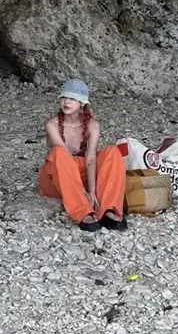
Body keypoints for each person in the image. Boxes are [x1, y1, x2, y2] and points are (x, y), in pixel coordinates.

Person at [37, 79, 127, 232]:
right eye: (64, 97)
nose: (67, 101)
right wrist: (81, 191)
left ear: (83, 103)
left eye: (72, 98)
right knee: (58, 152)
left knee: (112, 151)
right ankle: (82, 210)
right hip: (58, 176)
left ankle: (107, 210)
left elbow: (91, 158)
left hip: (82, 172)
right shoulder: (51, 124)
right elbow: (65, 156)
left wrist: (91, 190)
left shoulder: (93, 125)